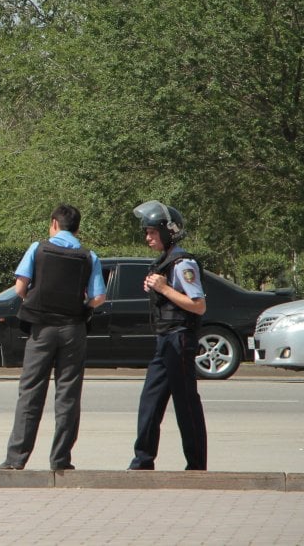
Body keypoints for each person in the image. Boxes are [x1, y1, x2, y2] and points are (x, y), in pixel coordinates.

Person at [0, 204, 106, 471]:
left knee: (31, 392)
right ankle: (60, 460)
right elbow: (99, 298)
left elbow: (20, 287)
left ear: (53, 224)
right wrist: (81, 308)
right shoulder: (89, 256)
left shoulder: (39, 248)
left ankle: (15, 460)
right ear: (77, 229)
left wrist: (35, 301)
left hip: (41, 329)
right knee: (68, 394)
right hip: (73, 330)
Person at [128, 200, 207, 471]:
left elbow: (198, 305)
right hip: (164, 340)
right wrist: (155, 286)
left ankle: (196, 466)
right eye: (146, 232)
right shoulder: (163, 262)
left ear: (168, 231)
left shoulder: (184, 263)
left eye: (152, 232)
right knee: (150, 401)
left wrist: (163, 289)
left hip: (180, 338)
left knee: (186, 404)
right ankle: (142, 461)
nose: (147, 237)